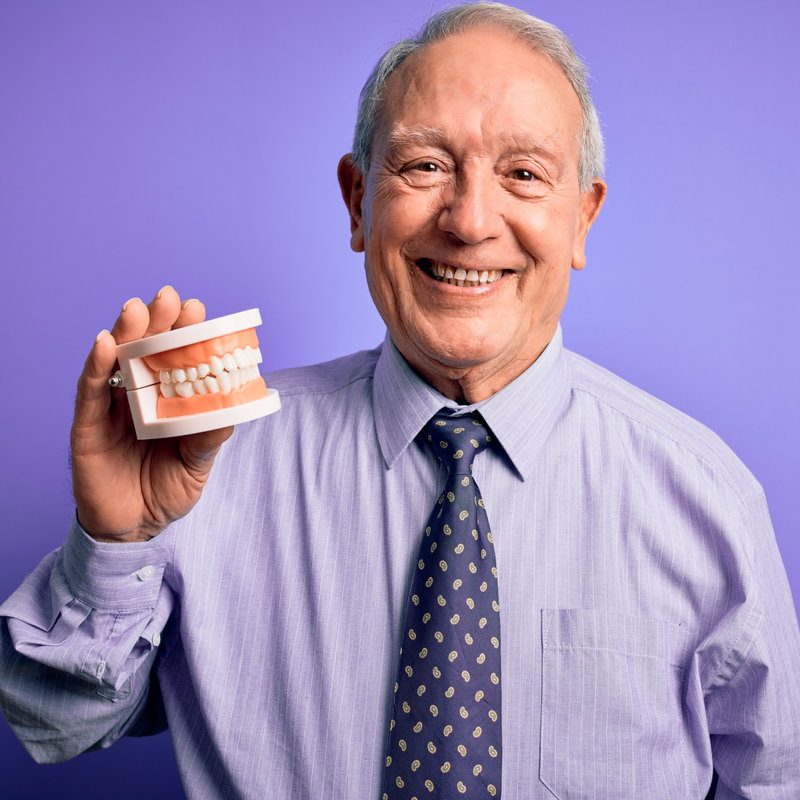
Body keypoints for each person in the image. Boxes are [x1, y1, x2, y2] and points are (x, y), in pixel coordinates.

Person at [2, 2, 799, 798]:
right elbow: (55, 724)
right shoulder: (207, 466)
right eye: (425, 166)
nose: (470, 221)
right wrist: (115, 541)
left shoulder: (705, 499)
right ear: (358, 200)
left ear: (582, 217)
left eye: (523, 174)